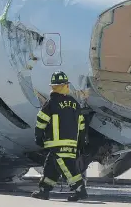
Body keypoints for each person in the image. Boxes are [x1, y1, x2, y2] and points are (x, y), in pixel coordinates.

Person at [31, 71, 88, 202]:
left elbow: (41, 120)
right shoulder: (74, 103)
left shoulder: (51, 103)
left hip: (57, 143)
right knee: (51, 166)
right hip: (71, 143)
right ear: (67, 86)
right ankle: (44, 190)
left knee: (67, 167)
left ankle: (80, 190)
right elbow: (82, 124)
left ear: (53, 86)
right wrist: (80, 142)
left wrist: (38, 137)